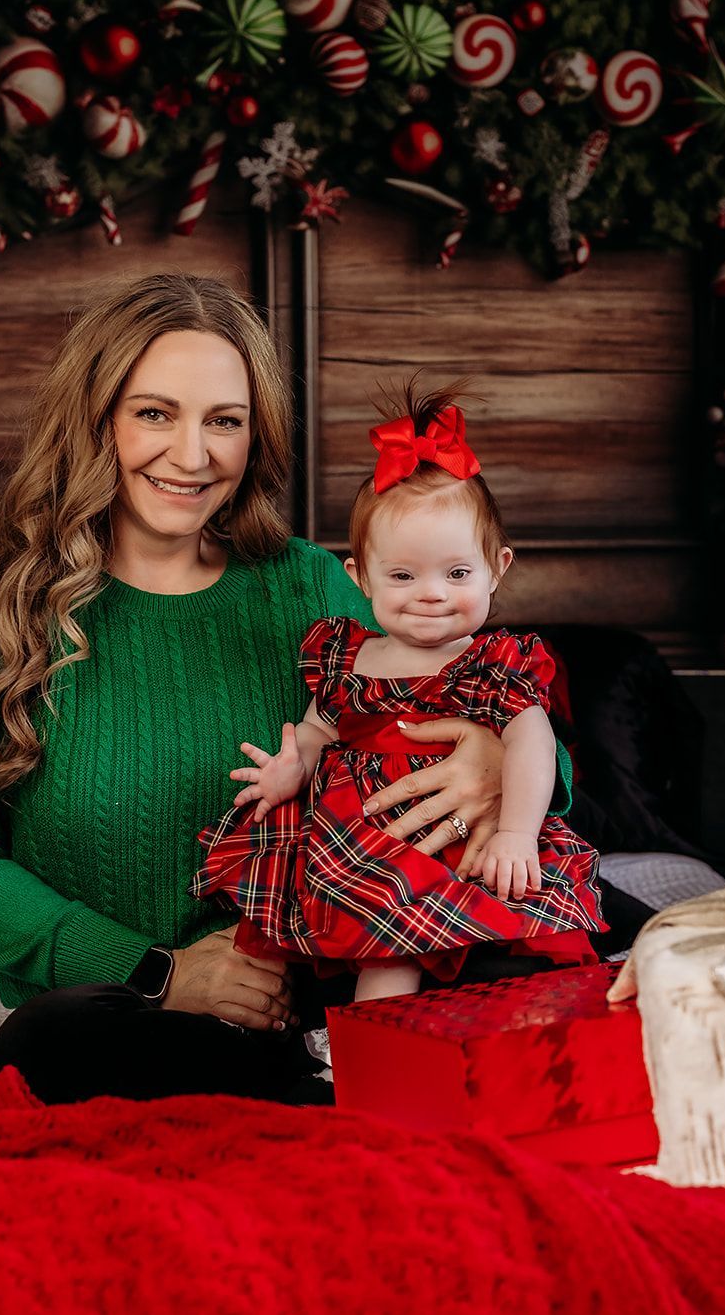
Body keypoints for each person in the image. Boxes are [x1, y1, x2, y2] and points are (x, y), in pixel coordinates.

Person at [0, 275, 569, 1106]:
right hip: (130, 1008)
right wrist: (161, 972)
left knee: (570, 946)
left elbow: (504, 708)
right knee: (43, 1046)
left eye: (224, 421)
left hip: (354, 964)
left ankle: (360, 1079)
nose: (192, 455)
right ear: (92, 417)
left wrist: (495, 764)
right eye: (154, 413)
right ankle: (320, 1097)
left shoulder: (312, 585)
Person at [191, 389, 606, 1002]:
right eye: (403, 575)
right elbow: (316, 730)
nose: (431, 593)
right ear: (360, 577)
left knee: (527, 963)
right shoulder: (347, 657)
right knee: (385, 960)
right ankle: (375, 1067)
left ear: (498, 568)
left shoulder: (491, 664)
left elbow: (533, 743)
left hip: (478, 846)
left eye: (457, 573)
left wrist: (518, 832)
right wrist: (288, 769)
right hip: (373, 850)